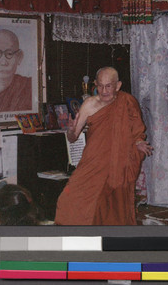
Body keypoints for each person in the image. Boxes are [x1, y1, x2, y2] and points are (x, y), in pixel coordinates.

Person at [55, 66, 153, 225]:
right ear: (95, 84)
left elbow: (137, 130)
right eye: (100, 85)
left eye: (109, 86)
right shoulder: (89, 104)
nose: (104, 90)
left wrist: (139, 142)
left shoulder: (127, 102)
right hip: (93, 162)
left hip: (118, 163)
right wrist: (71, 130)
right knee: (68, 200)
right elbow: (72, 138)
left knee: (111, 207)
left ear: (118, 85)